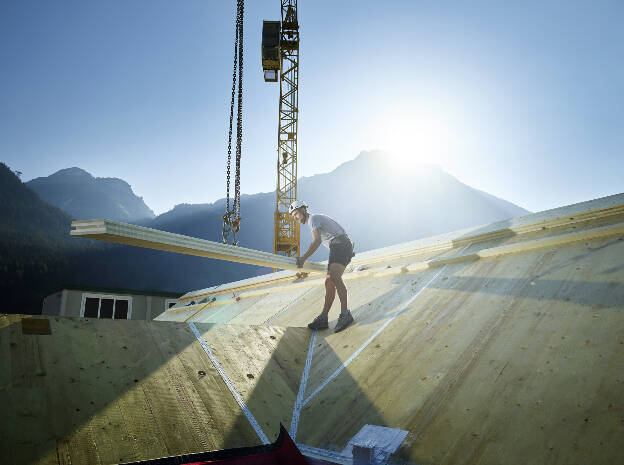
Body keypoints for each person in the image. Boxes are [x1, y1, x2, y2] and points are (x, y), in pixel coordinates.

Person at [289, 200, 355, 332]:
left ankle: (345, 314)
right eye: (293, 216)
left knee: (335, 278)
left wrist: (303, 258)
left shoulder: (313, 218)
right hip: (341, 246)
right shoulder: (315, 219)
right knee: (329, 282)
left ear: (303, 209)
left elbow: (317, 240)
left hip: (339, 245)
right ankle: (323, 318)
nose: (295, 217)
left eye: (296, 213)